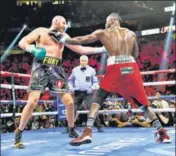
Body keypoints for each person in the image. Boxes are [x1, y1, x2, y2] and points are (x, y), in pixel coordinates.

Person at [55, 12, 171, 145]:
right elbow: (136, 54)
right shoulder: (131, 34)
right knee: (142, 104)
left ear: (110, 21)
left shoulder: (104, 32)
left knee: (97, 99)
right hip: (131, 67)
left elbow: (82, 40)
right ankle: (163, 133)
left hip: (116, 66)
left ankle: (87, 132)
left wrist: (64, 40)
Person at [15, 15, 107, 149]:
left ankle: (71, 129)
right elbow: (23, 42)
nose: (65, 25)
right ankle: (19, 132)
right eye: (63, 22)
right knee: (33, 102)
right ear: (56, 21)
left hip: (57, 69)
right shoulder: (41, 31)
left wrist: (102, 49)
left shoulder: (63, 37)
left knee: (69, 102)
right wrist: (33, 49)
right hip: (40, 67)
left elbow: (81, 49)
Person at [68, 55, 103, 132]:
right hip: (77, 92)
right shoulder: (75, 70)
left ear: (87, 61)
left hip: (88, 93)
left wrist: (92, 88)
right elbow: (70, 80)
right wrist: (71, 88)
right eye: (82, 61)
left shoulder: (91, 70)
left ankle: (99, 126)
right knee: (72, 110)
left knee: (92, 109)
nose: (83, 62)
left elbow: (95, 82)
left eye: (84, 61)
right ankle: (69, 127)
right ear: (79, 61)